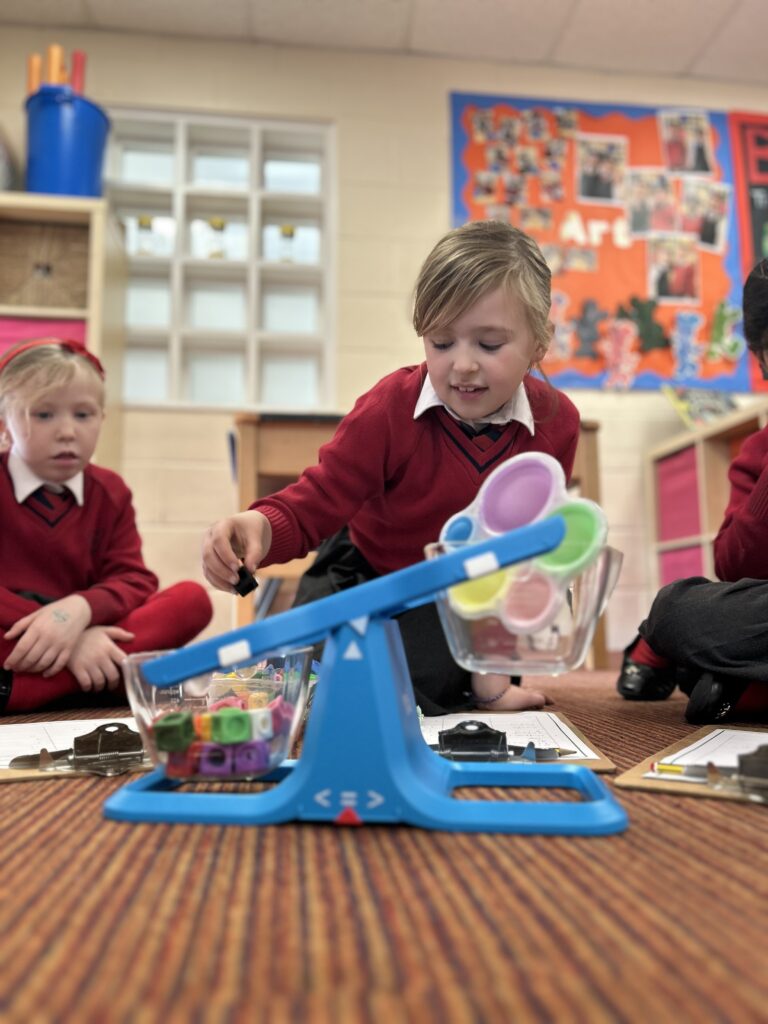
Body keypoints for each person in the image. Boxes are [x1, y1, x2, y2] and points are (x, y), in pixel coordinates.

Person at [202, 220, 581, 715]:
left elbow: (529, 551)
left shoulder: (558, 423)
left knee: (468, 645)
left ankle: (466, 673)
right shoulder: (389, 408)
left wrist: (493, 669)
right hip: (368, 577)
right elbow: (314, 504)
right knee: (328, 672)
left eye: (489, 345)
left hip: (474, 597)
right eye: (442, 343)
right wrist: (256, 526)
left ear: (539, 343)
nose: (462, 365)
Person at [0, 338, 213, 713]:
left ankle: (38, 689)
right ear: (4, 425)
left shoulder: (110, 491)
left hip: (71, 637)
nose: (67, 431)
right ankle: (107, 677)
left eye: (83, 415)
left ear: (102, 418)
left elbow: (133, 580)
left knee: (190, 601)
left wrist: (78, 612)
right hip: (15, 635)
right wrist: (68, 639)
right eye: (44, 415)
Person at [616, 258, 768, 723]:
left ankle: (742, 688)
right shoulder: (757, 451)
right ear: (763, 359)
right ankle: (729, 678)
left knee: (696, 646)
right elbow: (733, 565)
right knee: (676, 610)